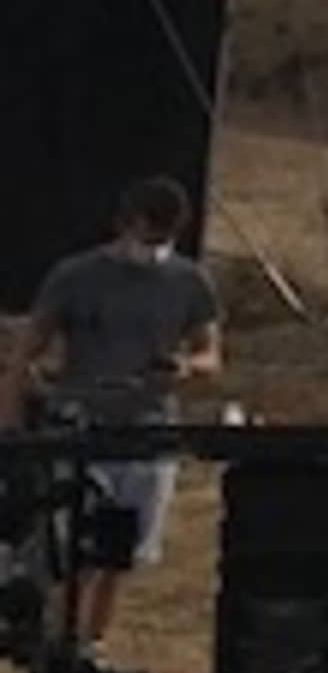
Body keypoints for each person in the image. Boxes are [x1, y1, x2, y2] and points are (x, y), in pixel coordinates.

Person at [2, 175, 223, 642]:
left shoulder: (189, 281)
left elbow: (210, 354)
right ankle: (54, 643)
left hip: (148, 429)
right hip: (81, 426)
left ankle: (91, 645)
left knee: (119, 556)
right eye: (147, 235)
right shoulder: (77, 275)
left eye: (164, 238)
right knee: (70, 554)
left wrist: (186, 366)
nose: (153, 247)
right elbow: (27, 350)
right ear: (125, 224)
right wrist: (13, 418)